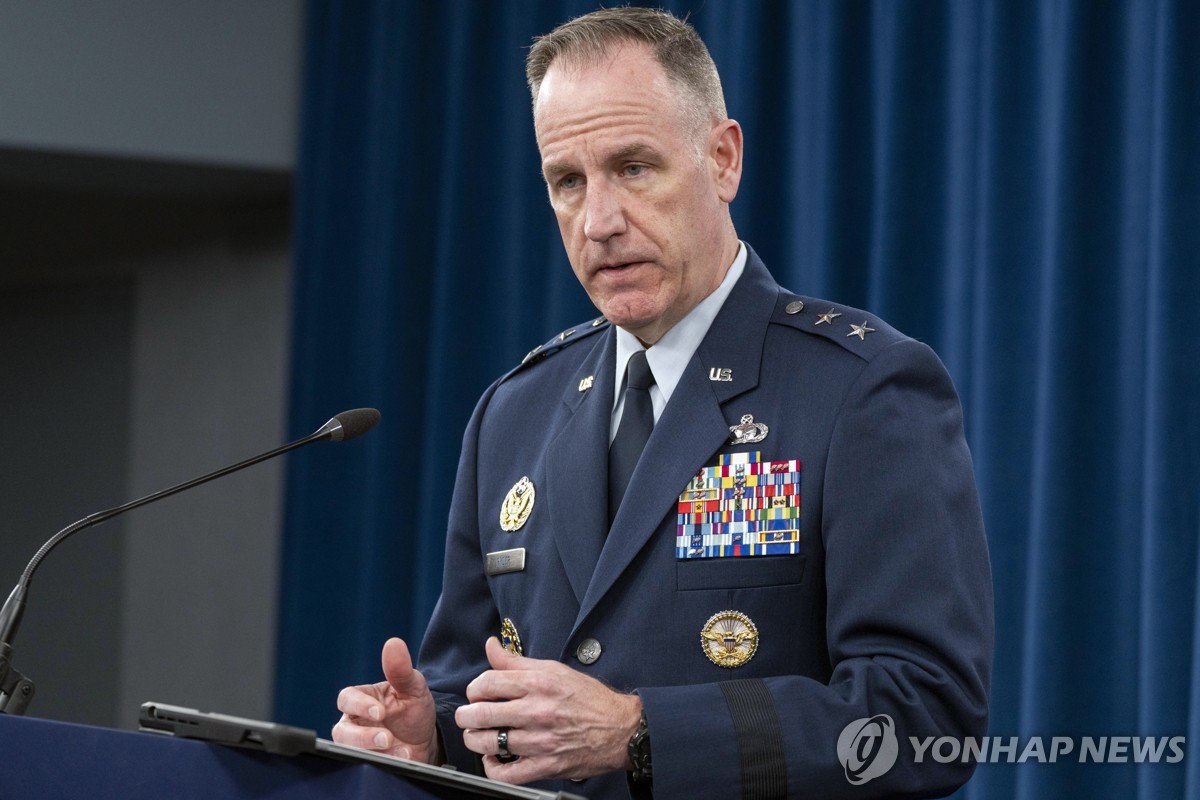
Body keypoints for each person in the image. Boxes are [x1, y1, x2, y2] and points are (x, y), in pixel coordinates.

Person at [334, 7, 993, 799]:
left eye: (634, 168)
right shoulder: (514, 412)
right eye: (567, 183)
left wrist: (638, 733)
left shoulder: (861, 388)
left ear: (722, 159)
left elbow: (926, 725)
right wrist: (431, 736)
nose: (600, 222)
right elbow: (474, 691)